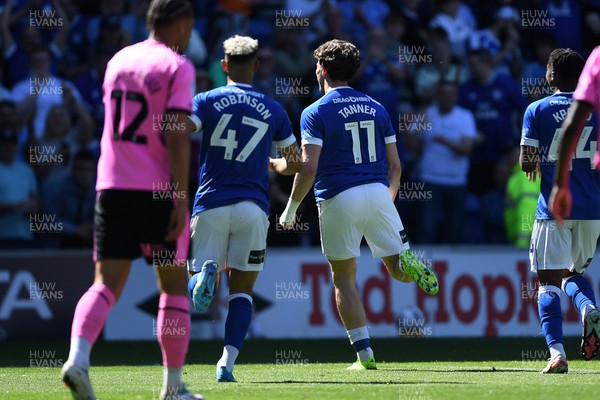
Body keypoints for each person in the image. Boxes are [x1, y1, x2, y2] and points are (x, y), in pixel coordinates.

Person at [60, 1, 203, 399]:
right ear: (181, 23)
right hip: (156, 190)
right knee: (173, 286)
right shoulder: (177, 66)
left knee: (105, 284)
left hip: (111, 185)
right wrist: (178, 197)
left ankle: (78, 359)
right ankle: (173, 388)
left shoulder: (119, 60)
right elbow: (176, 134)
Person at [272, 39, 439, 371]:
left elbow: (308, 167)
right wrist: (385, 202)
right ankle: (409, 262)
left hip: (337, 196)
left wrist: (290, 210)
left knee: (344, 279)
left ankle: (365, 357)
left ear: (321, 70)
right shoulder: (377, 107)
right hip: (378, 192)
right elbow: (396, 166)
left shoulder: (314, 111)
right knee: (398, 272)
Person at [185, 35, 299, 383]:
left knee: (197, 290)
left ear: (223, 66)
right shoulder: (274, 109)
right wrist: (271, 163)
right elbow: (295, 164)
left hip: (211, 202)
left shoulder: (205, 100)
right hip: (252, 207)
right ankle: (226, 364)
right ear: (257, 66)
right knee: (243, 292)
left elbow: (180, 131)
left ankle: (204, 276)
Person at [521, 48, 600, 374]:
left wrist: (538, 161)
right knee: (573, 273)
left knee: (548, 283)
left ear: (551, 74)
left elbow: (527, 162)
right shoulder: (595, 109)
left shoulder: (537, 109)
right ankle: (588, 308)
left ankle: (557, 353)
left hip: (554, 207)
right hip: (593, 209)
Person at [410, 80, 476, 244]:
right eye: (443, 93)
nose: (447, 97)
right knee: (427, 228)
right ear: (437, 96)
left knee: (454, 229)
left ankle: (454, 268)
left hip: (457, 181)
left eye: (451, 93)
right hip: (429, 179)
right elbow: (410, 147)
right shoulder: (426, 114)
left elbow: (467, 149)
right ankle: (422, 267)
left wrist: (444, 141)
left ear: (456, 96)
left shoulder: (465, 116)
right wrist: (420, 126)